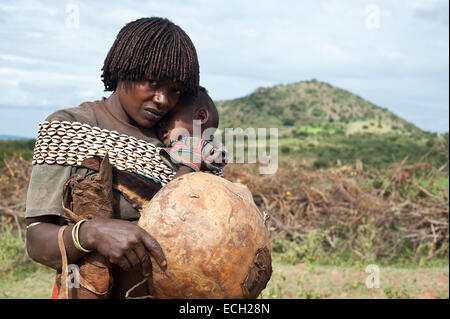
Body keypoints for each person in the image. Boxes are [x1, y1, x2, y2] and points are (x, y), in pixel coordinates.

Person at [25, 17, 203, 298]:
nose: (162, 99)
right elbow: (36, 239)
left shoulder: (177, 146)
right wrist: (91, 234)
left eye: (174, 90)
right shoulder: (71, 127)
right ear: (124, 69)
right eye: (152, 83)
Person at [156, 86, 226, 178]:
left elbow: (187, 171)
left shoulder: (192, 144)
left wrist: (169, 188)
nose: (161, 122)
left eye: (169, 115)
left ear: (200, 117)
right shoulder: (208, 148)